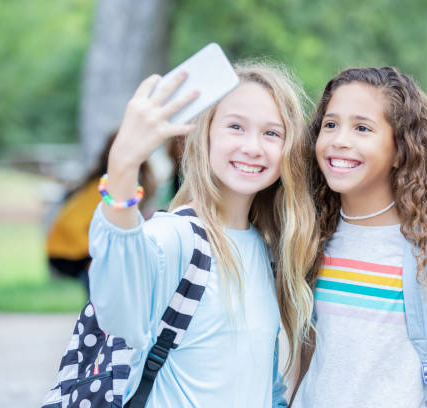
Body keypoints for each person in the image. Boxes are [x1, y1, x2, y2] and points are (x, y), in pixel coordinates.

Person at [88, 61, 317, 407]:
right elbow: (118, 308)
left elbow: (265, 389)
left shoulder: (263, 249)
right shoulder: (175, 237)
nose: (253, 146)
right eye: (236, 127)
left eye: (272, 133)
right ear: (204, 134)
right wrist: (123, 164)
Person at [291, 67, 427, 407]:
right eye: (330, 124)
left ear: (400, 149)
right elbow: (309, 364)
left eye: (362, 128)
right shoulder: (314, 234)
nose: (340, 140)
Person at [45, 132, 157, 291]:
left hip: (74, 249)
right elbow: (72, 225)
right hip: (69, 252)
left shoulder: (107, 182)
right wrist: (98, 249)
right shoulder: (104, 186)